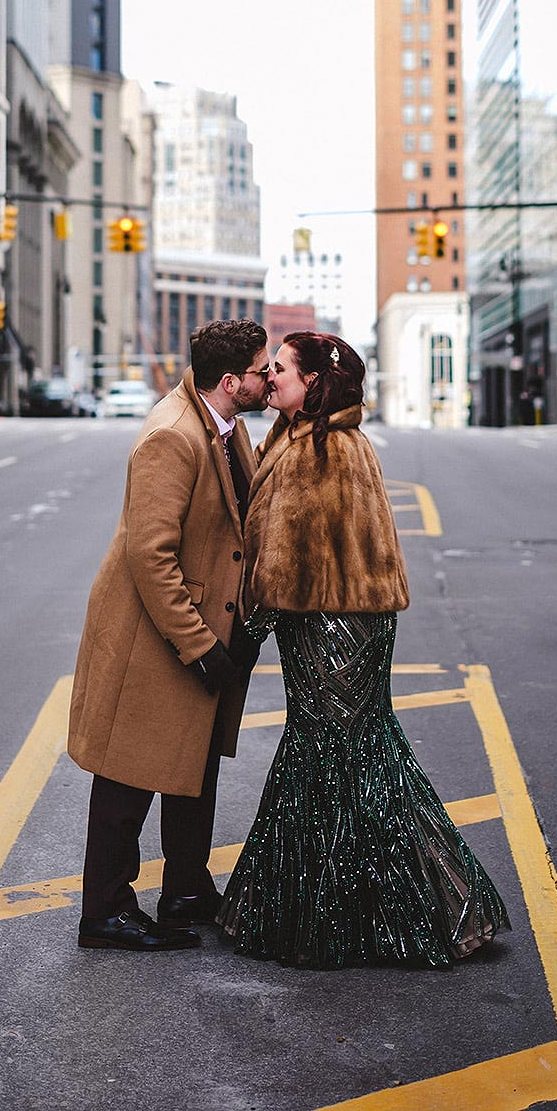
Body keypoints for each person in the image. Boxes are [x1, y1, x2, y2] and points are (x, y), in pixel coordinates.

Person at [217, 332, 510, 968]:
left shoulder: (316, 449)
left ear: (315, 382)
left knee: (330, 760)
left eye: (283, 368)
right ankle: (413, 906)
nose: (271, 376)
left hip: (330, 626)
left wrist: (247, 634)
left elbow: (286, 560)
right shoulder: (326, 438)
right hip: (350, 622)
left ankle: (345, 918)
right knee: (358, 756)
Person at [68, 318, 271, 953]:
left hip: (200, 628)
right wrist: (200, 643)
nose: (269, 380)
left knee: (195, 767)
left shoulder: (224, 424)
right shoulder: (173, 436)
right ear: (231, 380)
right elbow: (148, 556)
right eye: (264, 372)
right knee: (128, 777)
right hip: (154, 638)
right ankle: (104, 911)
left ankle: (185, 888)